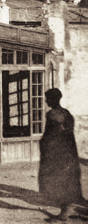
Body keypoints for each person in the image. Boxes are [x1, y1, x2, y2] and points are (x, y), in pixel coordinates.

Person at [39, 88, 83, 221]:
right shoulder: (67, 113)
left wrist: (44, 145)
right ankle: (66, 210)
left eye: (48, 98)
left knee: (57, 181)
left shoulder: (51, 115)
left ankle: (64, 213)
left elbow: (49, 136)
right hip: (68, 154)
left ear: (54, 99)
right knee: (66, 181)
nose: (46, 101)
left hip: (56, 154)